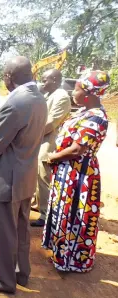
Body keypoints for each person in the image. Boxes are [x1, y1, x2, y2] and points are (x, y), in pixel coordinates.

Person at [0, 56, 48, 294]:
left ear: (9, 77)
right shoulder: (39, 99)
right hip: (25, 179)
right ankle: (20, 274)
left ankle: (3, 281)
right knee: (21, 231)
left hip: (7, 180)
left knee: (4, 235)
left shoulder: (17, 102)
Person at [42, 71, 110, 272]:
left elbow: (77, 149)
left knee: (75, 216)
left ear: (88, 95)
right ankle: (60, 251)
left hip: (79, 176)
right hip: (68, 173)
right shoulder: (84, 112)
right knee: (64, 213)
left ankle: (71, 260)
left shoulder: (97, 118)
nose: (73, 92)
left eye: (78, 89)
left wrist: (52, 157)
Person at [30, 69, 71, 227]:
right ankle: (37, 204)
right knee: (36, 175)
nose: (42, 82)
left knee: (44, 177)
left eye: (45, 79)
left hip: (49, 142)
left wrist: (30, 132)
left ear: (54, 79)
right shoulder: (49, 94)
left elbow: (50, 123)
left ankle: (45, 215)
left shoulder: (61, 96)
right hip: (40, 139)